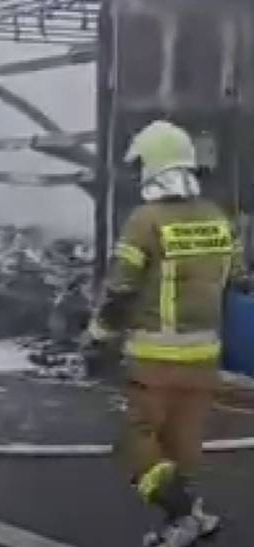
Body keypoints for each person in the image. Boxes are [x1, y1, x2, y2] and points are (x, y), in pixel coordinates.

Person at [84, 120, 245, 547]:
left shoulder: (145, 221)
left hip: (156, 360)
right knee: (182, 446)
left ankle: (183, 516)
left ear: (152, 166)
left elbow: (120, 290)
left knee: (136, 447)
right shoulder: (217, 219)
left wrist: (98, 338)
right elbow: (237, 277)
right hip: (205, 358)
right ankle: (188, 521)